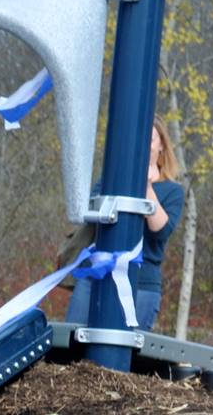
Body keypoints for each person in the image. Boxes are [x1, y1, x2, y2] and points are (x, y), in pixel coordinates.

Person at [69, 119, 185, 331]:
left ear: (161, 146)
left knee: (126, 357)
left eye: (149, 139)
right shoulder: (111, 179)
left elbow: (161, 232)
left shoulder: (172, 191)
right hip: (97, 276)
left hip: (141, 285)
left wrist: (146, 186)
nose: (143, 144)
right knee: (71, 346)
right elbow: (89, 213)